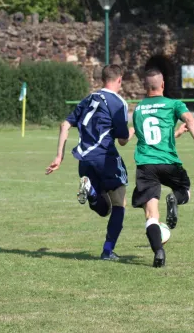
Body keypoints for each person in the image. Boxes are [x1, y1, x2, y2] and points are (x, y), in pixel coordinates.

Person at [45, 64, 133, 260]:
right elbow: (122, 140)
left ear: (103, 79)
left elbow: (64, 125)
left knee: (103, 209)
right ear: (119, 80)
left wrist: (59, 156)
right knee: (119, 204)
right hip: (105, 158)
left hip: (84, 161)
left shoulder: (88, 99)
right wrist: (133, 131)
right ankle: (107, 251)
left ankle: (91, 192)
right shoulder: (119, 103)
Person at [131, 69, 194, 267]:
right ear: (163, 85)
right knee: (184, 190)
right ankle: (175, 198)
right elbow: (190, 120)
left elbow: (149, 137)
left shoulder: (139, 109)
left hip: (146, 165)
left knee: (151, 215)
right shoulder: (173, 104)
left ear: (145, 86)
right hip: (168, 162)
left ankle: (158, 251)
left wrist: (174, 134)